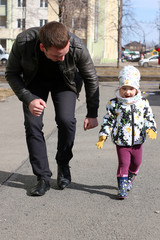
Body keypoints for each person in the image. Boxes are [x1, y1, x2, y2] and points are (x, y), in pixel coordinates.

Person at [5, 21, 99, 196]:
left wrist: (92, 113)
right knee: (32, 125)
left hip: (65, 82)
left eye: (64, 54)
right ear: (43, 47)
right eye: (57, 56)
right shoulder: (23, 42)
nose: (62, 58)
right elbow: (11, 73)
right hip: (34, 83)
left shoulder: (77, 46)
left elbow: (91, 77)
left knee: (66, 120)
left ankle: (63, 164)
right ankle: (42, 177)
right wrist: (28, 98)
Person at [96, 65, 157, 199]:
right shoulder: (115, 104)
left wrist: (151, 128)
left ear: (136, 89)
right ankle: (122, 188)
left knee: (136, 163)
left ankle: (130, 176)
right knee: (123, 163)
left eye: (131, 89)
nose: (127, 92)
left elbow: (149, 117)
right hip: (122, 141)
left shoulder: (142, 103)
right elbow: (108, 120)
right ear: (119, 88)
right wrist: (103, 135)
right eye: (124, 88)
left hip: (138, 141)